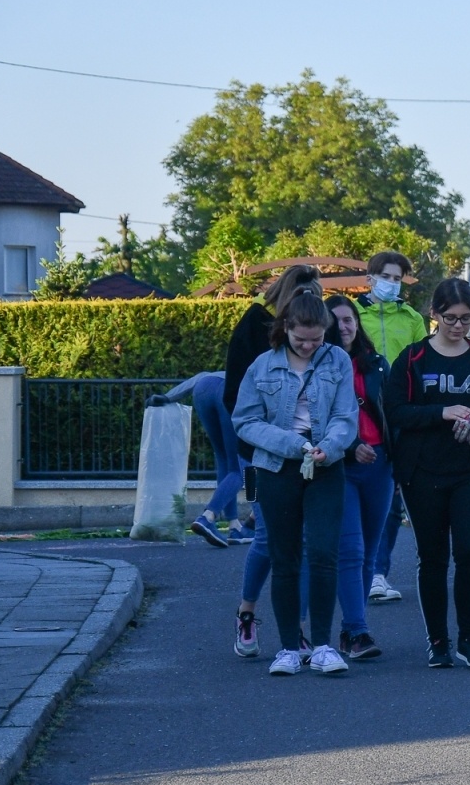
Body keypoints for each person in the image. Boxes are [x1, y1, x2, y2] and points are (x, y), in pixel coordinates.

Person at [232, 291, 359, 678]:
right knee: (284, 558)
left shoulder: (337, 360)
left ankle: (321, 646)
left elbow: (346, 415)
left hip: (326, 464)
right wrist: (294, 444)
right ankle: (288, 648)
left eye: (316, 339)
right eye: (301, 338)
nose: (308, 346)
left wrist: (328, 446)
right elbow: (246, 421)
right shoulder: (262, 366)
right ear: (285, 328)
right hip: (276, 467)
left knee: (323, 553)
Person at [383, 279, 470, 670]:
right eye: (450, 318)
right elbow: (396, 411)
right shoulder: (413, 358)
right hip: (422, 469)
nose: (458, 326)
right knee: (432, 557)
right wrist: (443, 411)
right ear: (433, 315)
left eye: (466, 319)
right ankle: (438, 640)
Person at [222, 264, 327, 660]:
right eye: (304, 301)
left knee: (302, 541)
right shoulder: (254, 327)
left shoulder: (318, 340)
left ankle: (295, 627)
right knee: (268, 535)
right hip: (259, 456)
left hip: (310, 457)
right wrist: (269, 439)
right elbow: (234, 398)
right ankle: (246, 613)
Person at [356, 251, 429, 607]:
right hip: (361, 414)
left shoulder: (413, 318)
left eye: (398, 278)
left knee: (391, 498)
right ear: (369, 278)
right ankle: (360, 569)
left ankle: (378, 574)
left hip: (399, 415)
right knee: (361, 496)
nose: (392, 283)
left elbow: (421, 366)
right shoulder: (352, 315)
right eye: (386, 276)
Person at [326, 295, 393, 662]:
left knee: (369, 550)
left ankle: (354, 628)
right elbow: (319, 419)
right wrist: (352, 446)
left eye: (350, 319)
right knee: (349, 550)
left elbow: (391, 411)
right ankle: (356, 629)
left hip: (380, 464)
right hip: (341, 465)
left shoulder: (377, 364)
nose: (345, 327)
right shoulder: (320, 366)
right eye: (336, 321)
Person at [149, 371, 248, 547]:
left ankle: (234, 526)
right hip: (230, 393)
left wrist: (167, 397)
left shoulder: (220, 371)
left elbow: (198, 378)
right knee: (240, 469)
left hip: (203, 389)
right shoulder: (267, 368)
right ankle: (208, 517)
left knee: (224, 461)